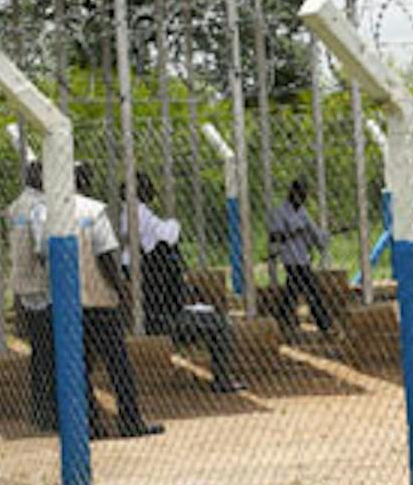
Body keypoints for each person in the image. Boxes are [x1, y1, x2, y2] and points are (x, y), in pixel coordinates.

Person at [69, 160, 160, 439]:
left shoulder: (55, 212)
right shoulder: (94, 211)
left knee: (80, 365)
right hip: (99, 299)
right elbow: (106, 256)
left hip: (70, 301)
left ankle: (91, 424)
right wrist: (122, 290)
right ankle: (129, 420)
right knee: (118, 363)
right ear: (86, 181)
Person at [129, 173, 242, 392]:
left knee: (206, 313)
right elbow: (176, 300)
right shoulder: (164, 262)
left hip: (159, 314)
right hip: (165, 319)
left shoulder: (147, 260)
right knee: (221, 324)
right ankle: (222, 380)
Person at [3, 159, 59, 431]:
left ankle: (39, 411)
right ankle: (51, 412)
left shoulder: (16, 206)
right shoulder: (40, 206)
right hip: (44, 286)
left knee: (39, 353)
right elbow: (42, 246)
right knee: (51, 354)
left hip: (26, 287)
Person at [266, 179, 334, 340]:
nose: (301, 198)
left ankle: (282, 321)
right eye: (299, 193)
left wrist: (322, 237)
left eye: (304, 195)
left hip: (303, 258)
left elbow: (314, 234)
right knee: (310, 291)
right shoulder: (281, 212)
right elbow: (274, 237)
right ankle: (324, 324)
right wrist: (292, 232)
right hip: (290, 258)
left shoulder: (303, 213)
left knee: (293, 292)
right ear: (292, 193)